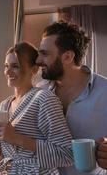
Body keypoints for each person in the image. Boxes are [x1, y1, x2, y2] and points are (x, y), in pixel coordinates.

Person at [0, 42, 73, 174]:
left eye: (15, 66)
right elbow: (2, 157)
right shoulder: (4, 105)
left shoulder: (44, 99)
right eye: (6, 66)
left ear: (34, 69)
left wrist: (18, 138)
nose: (7, 71)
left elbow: (67, 154)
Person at [36, 21, 107, 175]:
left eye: (45, 54)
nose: (38, 60)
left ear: (67, 57)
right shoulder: (39, 92)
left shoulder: (105, 92)